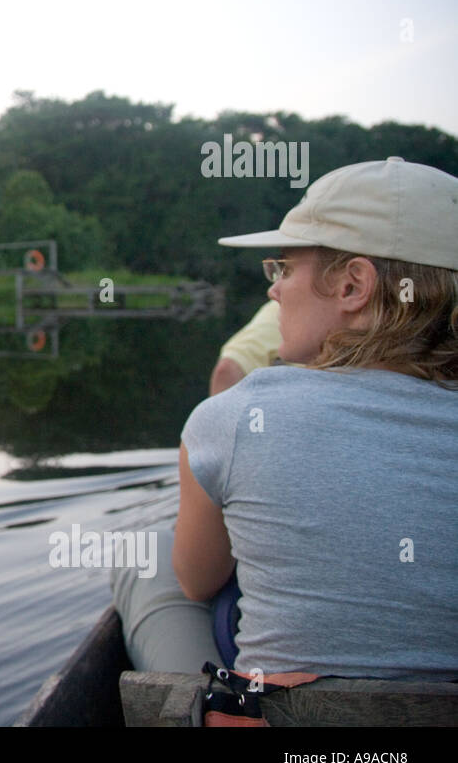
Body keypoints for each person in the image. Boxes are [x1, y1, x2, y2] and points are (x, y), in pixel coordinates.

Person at [113, 156, 458, 681]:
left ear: (352, 286)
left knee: (152, 555)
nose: (273, 290)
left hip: (299, 749)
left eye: (285, 268)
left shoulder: (232, 416)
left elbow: (198, 583)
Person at [209, 299, 280, 395]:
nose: (273, 292)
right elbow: (228, 370)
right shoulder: (281, 307)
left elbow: (228, 369)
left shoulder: (284, 305)